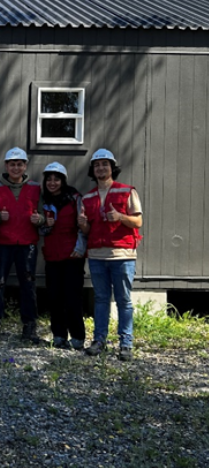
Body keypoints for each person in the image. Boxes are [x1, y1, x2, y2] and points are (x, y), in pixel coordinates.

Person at [78, 149, 143, 361]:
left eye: (104, 164)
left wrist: (120, 216)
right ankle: (99, 340)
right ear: (92, 170)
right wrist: (83, 225)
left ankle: (126, 343)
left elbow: (138, 222)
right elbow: (87, 231)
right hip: (97, 255)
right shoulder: (87, 198)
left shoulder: (127, 191)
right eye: (97, 165)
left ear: (112, 167)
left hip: (122, 254)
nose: (100, 168)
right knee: (101, 299)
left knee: (124, 300)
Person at [0, 147, 45, 343]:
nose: (16, 168)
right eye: (12, 164)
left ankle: (29, 326)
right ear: (6, 166)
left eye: (20, 164)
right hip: (1, 243)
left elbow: (45, 213)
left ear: (25, 166)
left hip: (27, 243)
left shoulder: (36, 187)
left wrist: (41, 219)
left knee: (28, 285)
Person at [39, 162, 86, 350]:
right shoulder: (43, 201)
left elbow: (83, 226)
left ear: (63, 180)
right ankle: (58, 335)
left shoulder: (75, 198)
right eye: (49, 179)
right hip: (52, 255)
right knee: (55, 297)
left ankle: (78, 337)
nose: (52, 183)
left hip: (73, 255)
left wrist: (81, 248)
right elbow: (40, 229)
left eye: (56, 179)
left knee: (72, 297)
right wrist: (46, 224)